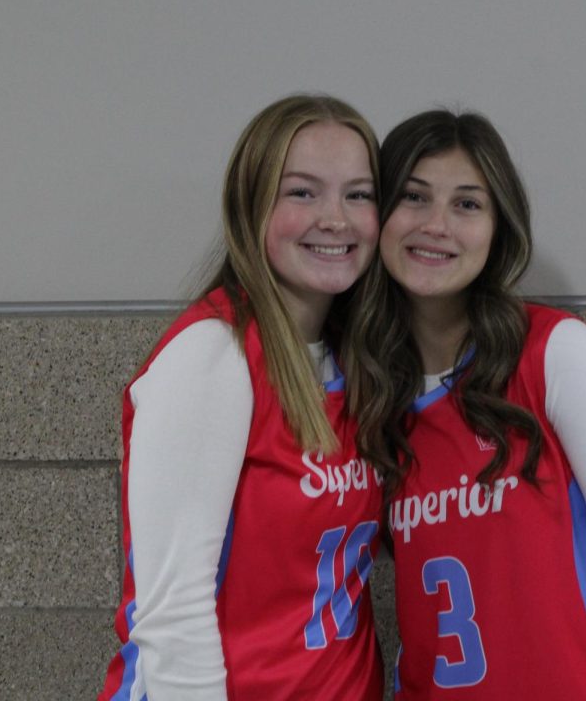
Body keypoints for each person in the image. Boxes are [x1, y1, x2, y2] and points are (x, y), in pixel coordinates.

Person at [347, 109, 586, 699]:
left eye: (467, 204)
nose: (437, 225)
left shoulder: (557, 355)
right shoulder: (372, 395)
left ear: (499, 226)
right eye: (413, 197)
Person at [99, 94, 386, 700]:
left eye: (358, 194)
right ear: (250, 205)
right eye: (302, 192)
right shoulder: (214, 355)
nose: (335, 218)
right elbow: (174, 617)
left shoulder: (355, 362)